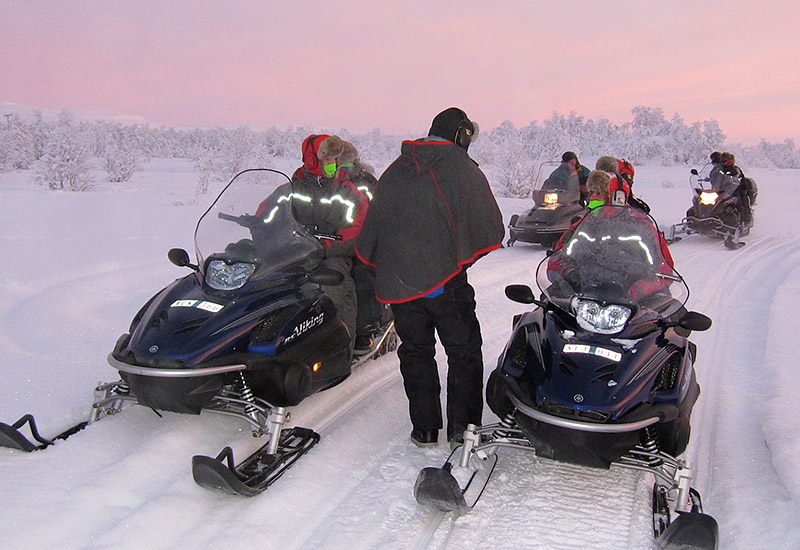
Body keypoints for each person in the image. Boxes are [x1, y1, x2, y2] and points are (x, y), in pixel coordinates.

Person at [356, 107, 505, 448]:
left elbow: (374, 227)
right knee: (464, 351)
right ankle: (462, 430)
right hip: (445, 285)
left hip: (400, 286)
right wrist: (462, 253)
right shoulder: (459, 166)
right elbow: (488, 220)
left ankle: (424, 429)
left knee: (416, 351)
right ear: (461, 134)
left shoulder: (396, 169)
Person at [257, 134, 368, 344]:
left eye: (334, 159)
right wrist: (255, 223)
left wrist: (327, 248)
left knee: (333, 286)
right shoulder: (291, 189)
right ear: (312, 161)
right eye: (326, 160)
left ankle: (343, 345)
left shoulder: (348, 192)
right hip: (295, 251)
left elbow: (357, 230)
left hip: (332, 253)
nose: (332, 164)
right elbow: (268, 212)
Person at [337, 141, 385, 354]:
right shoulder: (329, 184)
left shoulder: (366, 183)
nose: (342, 170)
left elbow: (380, 211)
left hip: (367, 240)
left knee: (362, 271)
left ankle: (365, 328)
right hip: (335, 241)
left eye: (346, 165)